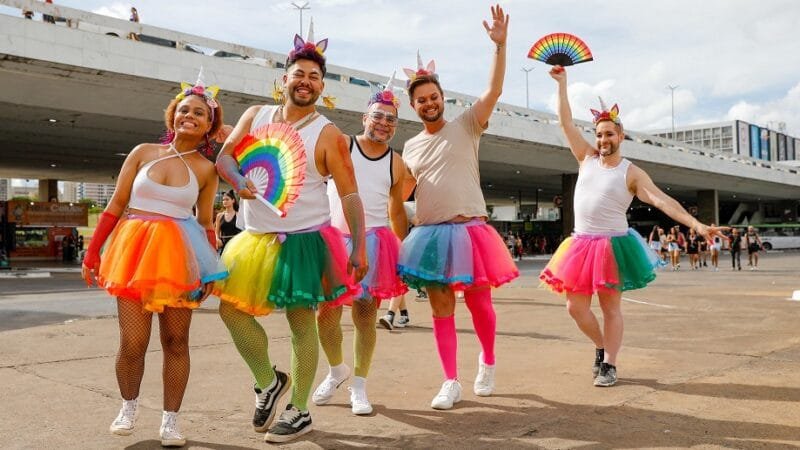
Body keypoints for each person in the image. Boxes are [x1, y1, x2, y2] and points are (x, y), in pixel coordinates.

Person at [213, 28, 367, 443]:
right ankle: (268, 382)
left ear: (322, 86)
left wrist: (361, 247)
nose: (306, 82)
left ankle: (299, 410)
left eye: (315, 77)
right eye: (299, 74)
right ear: (284, 78)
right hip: (254, 238)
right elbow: (224, 156)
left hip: (304, 241)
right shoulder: (255, 115)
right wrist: (238, 178)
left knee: (303, 325)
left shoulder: (329, 133)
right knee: (230, 310)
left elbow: (350, 194)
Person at [540, 64, 725, 388]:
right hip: (580, 244)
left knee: (611, 307)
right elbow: (565, 122)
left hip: (613, 246)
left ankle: (610, 363)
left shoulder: (631, 172)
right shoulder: (585, 157)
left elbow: (662, 201)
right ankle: (600, 346)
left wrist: (695, 224)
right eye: (599, 134)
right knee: (575, 307)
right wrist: (562, 84)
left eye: (609, 134)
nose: (602, 140)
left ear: (621, 136)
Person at [82, 71, 226, 446]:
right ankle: (128, 406)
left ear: (210, 125)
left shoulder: (207, 169)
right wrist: (93, 251)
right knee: (133, 342)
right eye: (183, 110)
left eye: (199, 113)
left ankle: (170, 421)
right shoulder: (143, 152)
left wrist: (210, 267)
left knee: (176, 341)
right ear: (173, 115)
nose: (189, 117)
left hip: (182, 260)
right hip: (133, 255)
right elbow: (115, 205)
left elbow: (207, 222)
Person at [398, 5, 517, 410]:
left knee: (481, 302)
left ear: (443, 98)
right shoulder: (410, 147)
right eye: (421, 100)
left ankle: (488, 360)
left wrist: (499, 47)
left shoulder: (467, 124)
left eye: (434, 97)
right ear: (412, 105)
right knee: (440, 306)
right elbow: (399, 191)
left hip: (470, 231)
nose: (429, 103)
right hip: (429, 234)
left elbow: (495, 90)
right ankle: (450, 381)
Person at [313, 75, 409, 415]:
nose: (383, 124)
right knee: (325, 314)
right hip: (333, 240)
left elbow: (396, 210)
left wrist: (406, 250)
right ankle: (336, 369)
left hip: (375, 243)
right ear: (364, 118)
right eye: (378, 116)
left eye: (391, 119)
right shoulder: (341, 145)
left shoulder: (396, 163)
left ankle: (359, 385)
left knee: (365, 316)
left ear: (396, 126)